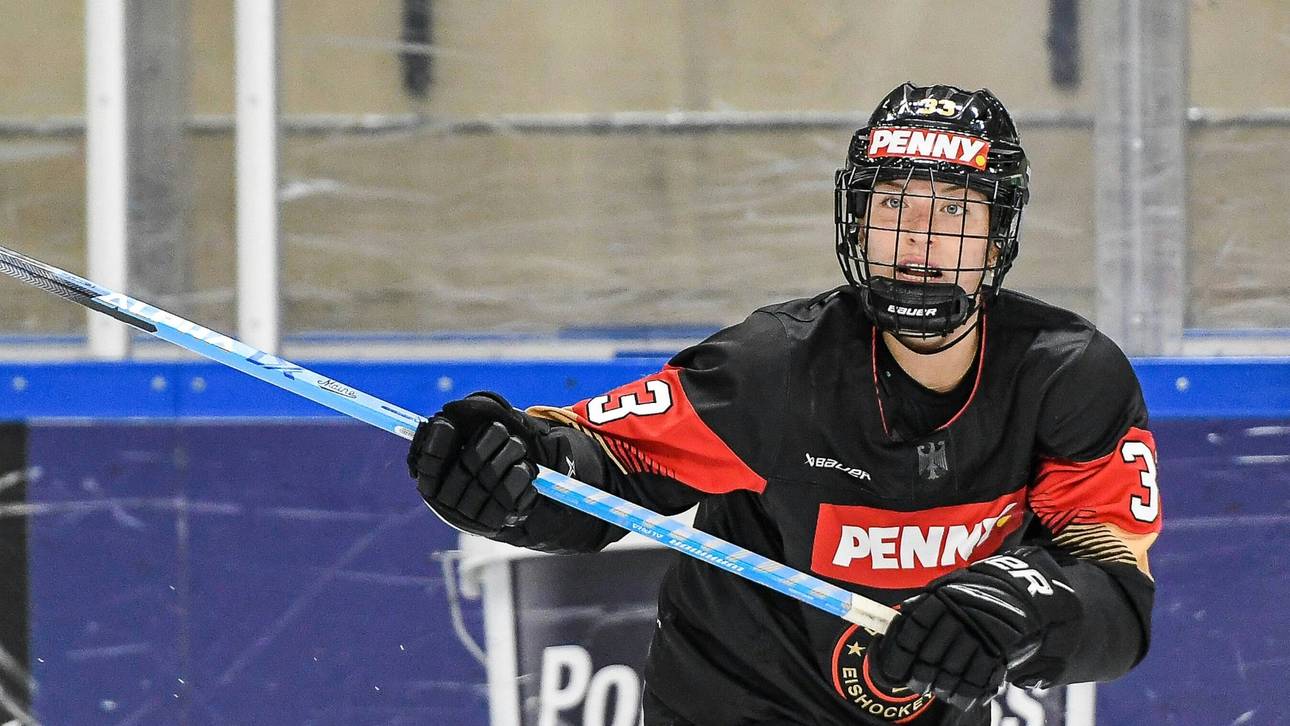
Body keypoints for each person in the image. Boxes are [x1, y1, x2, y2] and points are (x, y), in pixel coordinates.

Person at [407, 82, 1161, 725]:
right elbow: (602, 467)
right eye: (894, 206)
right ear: (858, 222)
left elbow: (1116, 594)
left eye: (955, 212)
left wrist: (1022, 607)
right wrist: (506, 474)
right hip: (730, 706)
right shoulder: (776, 370)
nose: (918, 242)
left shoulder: (1067, 381)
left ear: (998, 239)